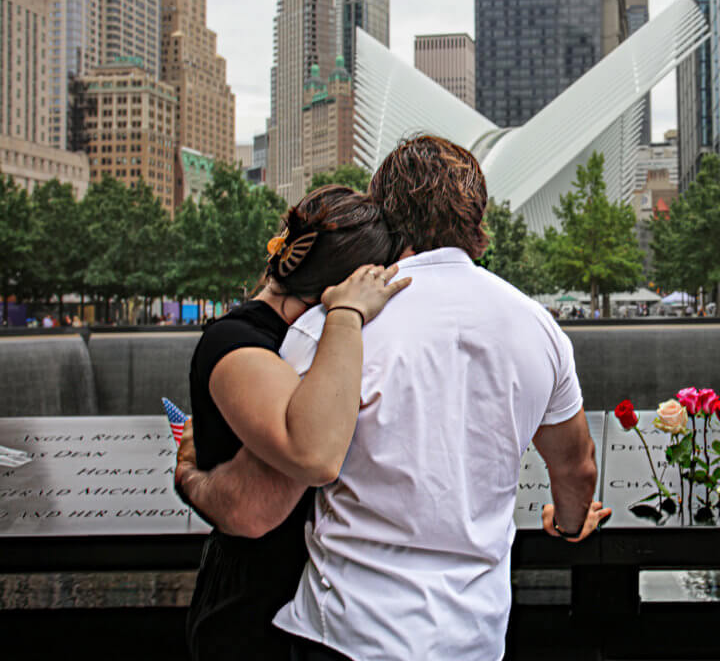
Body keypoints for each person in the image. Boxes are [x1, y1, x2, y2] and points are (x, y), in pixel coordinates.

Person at [178, 137, 608, 660]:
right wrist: (567, 521)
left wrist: (193, 478)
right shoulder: (539, 328)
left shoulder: (331, 328)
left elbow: (260, 502)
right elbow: (577, 467)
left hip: (348, 634)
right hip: (475, 636)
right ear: (479, 220)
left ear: (385, 216)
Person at [175, 185, 411, 661]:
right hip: (254, 615)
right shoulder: (236, 342)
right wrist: (346, 316)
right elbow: (296, 473)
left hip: (327, 605)